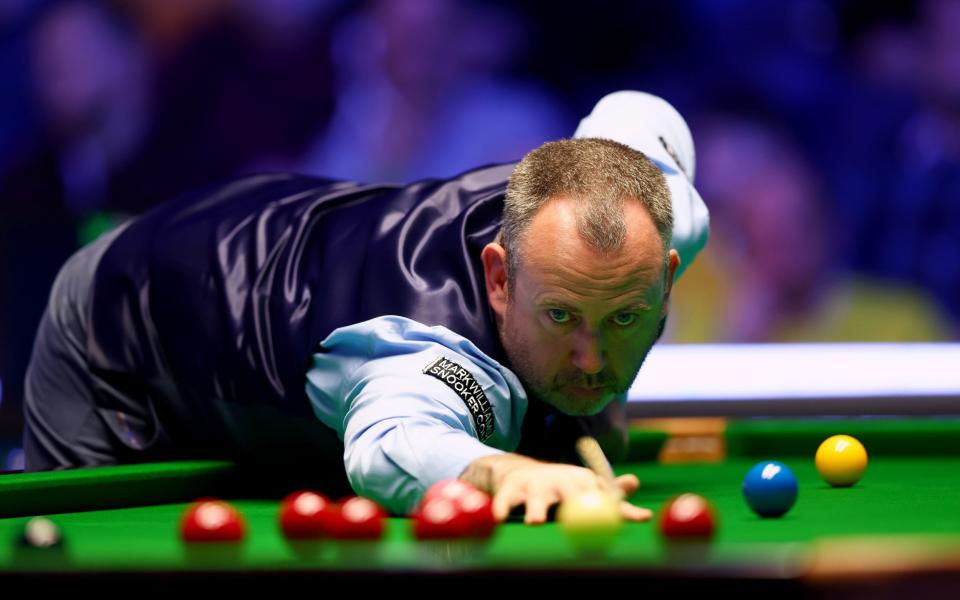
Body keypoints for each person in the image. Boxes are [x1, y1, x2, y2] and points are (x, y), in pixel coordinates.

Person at [22, 91, 709, 523]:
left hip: (283, 256)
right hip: (124, 320)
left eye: (624, 318)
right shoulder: (427, 349)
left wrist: (589, 403)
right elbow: (388, 449)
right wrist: (510, 468)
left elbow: (638, 114)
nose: (592, 357)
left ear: (666, 276)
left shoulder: (648, 214)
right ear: (500, 280)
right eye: (560, 316)